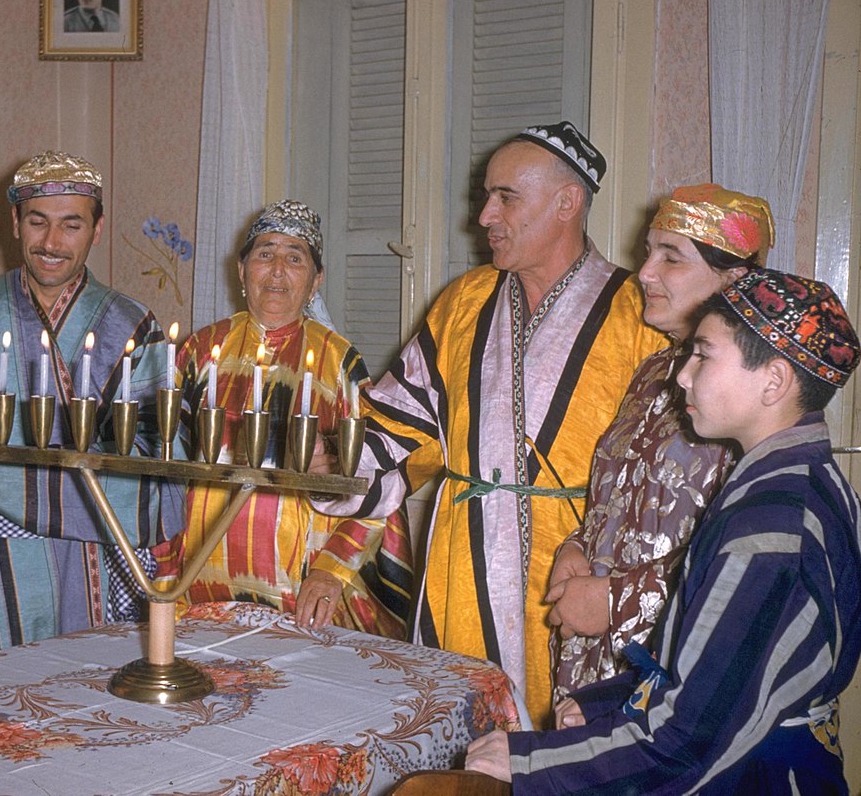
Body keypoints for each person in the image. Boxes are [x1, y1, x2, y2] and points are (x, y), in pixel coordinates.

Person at [313, 121, 666, 723]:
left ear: (567, 202)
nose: (484, 216)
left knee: (567, 761)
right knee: (464, 747)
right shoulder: (463, 301)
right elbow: (405, 425)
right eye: (486, 196)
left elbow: (662, 487)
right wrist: (335, 463)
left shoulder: (642, 316)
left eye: (506, 196)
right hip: (462, 569)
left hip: (575, 574)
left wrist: (622, 591)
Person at [466, 268, 861, 794]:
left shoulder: (773, 525)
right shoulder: (795, 483)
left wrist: (529, 761)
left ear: (773, 380)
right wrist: (603, 703)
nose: (682, 375)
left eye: (704, 354)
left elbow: (686, 742)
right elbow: (713, 669)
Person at [0, 150, 183, 657]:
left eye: (71, 225)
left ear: (96, 229)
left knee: (88, 714)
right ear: (14, 222)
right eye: (37, 222)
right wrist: (57, 469)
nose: (51, 243)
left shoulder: (133, 325)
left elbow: (163, 456)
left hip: (97, 558)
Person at [546, 184, 772, 702]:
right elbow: (618, 501)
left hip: (675, 669)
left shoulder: (750, 393)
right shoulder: (655, 369)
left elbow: (748, 556)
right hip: (594, 660)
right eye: (649, 252)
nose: (645, 272)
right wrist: (575, 550)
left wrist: (617, 601)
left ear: (733, 280)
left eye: (671, 257)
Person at [153, 200, 413, 637]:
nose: (277, 270)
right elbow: (160, 467)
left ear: (317, 280)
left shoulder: (339, 362)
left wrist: (332, 570)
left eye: (295, 257)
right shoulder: (200, 352)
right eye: (265, 253)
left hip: (304, 596)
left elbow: (376, 485)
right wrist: (163, 562)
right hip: (198, 583)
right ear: (241, 270)